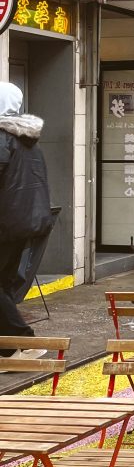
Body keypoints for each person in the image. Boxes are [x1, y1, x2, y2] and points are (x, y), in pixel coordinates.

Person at [0, 83, 52, 357]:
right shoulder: (26, 139)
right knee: (5, 283)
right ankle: (11, 349)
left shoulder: (2, 138)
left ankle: (21, 341)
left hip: (5, 223)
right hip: (23, 223)